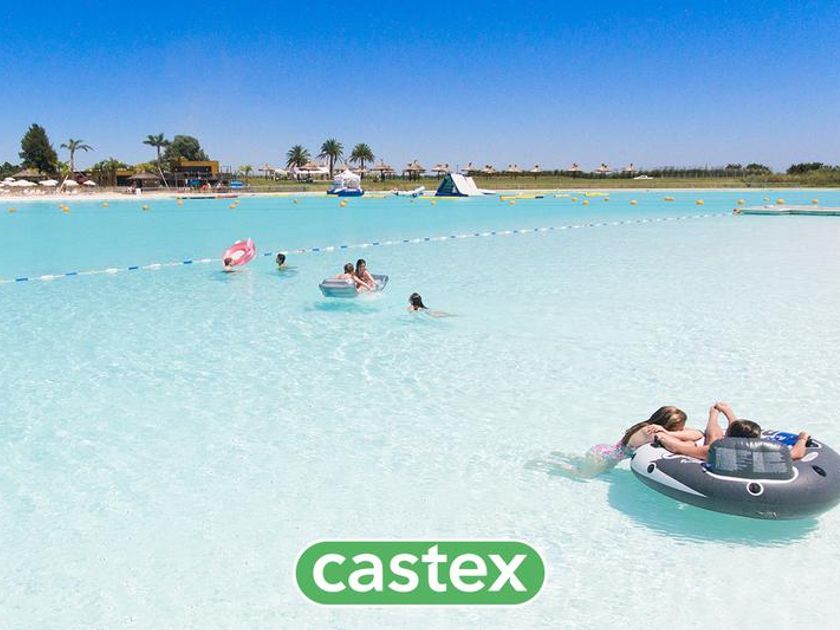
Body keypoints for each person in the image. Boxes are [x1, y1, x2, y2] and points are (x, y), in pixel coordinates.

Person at [547, 406, 702, 479]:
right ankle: (550, 465)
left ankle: (564, 458)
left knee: (583, 467)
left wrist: (670, 432)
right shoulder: (650, 431)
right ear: (668, 424)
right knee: (582, 476)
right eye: (679, 428)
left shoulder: (655, 428)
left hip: (603, 452)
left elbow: (698, 433)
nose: (682, 430)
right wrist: (670, 435)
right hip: (602, 458)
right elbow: (678, 445)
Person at [656, 402, 810, 461]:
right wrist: (802, 439)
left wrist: (662, 436)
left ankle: (713, 415)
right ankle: (726, 414)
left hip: (721, 465)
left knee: (713, 437)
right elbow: (797, 454)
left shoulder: (716, 450)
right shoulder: (764, 452)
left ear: (727, 436)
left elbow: (678, 448)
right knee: (723, 435)